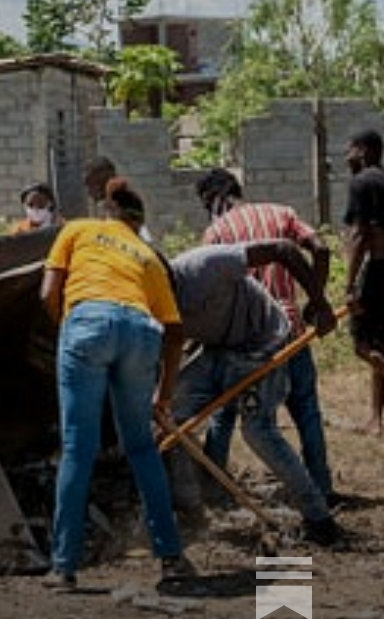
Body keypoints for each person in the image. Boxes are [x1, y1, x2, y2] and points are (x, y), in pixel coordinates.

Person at [39, 177, 192, 592]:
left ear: (108, 211)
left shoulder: (77, 229)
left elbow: (47, 292)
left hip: (88, 325)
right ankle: (172, 559)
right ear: (138, 223)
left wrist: (68, 328)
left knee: (78, 448)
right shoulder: (147, 255)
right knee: (141, 447)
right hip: (142, 333)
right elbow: (175, 331)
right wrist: (166, 392)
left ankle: (64, 566)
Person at [167, 240, 342, 545]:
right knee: (170, 415)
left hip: (262, 344)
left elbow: (283, 249)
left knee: (258, 431)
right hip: (217, 350)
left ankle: (319, 518)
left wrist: (320, 303)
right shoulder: (146, 301)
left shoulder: (203, 266)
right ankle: (190, 508)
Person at [196, 167, 340, 505]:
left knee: (229, 411)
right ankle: (321, 485)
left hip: (249, 341)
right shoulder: (282, 213)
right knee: (306, 410)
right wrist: (316, 303)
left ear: (213, 199)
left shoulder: (216, 233)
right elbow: (320, 249)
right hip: (292, 331)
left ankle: (215, 489)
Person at [343, 128, 384, 435]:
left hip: (379, 271)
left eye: (351, 150)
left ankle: (375, 418)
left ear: (365, 150)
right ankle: (376, 419)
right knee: (381, 346)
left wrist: (349, 285)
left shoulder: (362, 182)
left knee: (362, 343)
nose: (347, 156)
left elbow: (359, 236)